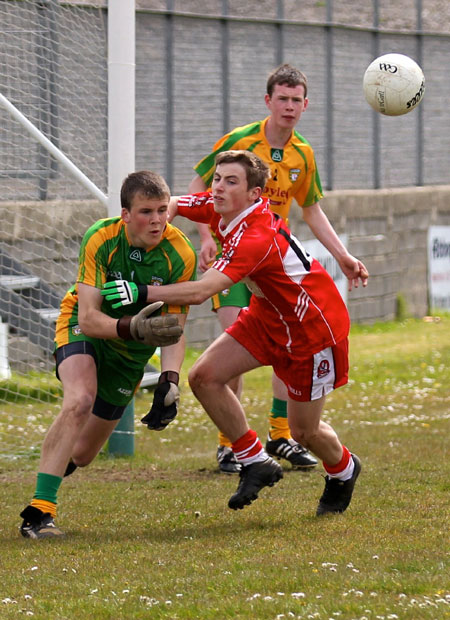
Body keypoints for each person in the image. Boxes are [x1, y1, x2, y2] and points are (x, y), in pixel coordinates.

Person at [104, 150, 369, 515]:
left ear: (253, 195)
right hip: (267, 317)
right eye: (217, 178)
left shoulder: (254, 236)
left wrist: (141, 290)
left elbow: (200, 291)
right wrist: (137, 227)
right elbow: (175, 205)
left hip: (312, 331)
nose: (219, 187)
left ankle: (343, 470)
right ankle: (254, 460)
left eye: (231, 181)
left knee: (303, 431)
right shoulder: (223, 207)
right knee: (205, 376)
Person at [189, 64, 367, 475]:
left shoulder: (302, 153)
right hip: (234, 258)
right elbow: (202, 188)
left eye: (296, 100)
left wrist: (342, 255)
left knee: (289, 348)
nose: (289, 106)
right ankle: (230, 446)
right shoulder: (239, 142)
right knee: (231, 341)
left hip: (275, 266)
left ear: (306, 105)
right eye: (281, 98)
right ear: (267, 101)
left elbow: (312, 209)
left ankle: (281, 435)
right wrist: (205, 237)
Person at [19, 170, 197, 539]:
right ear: (126, 214)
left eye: (163, 210)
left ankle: (54, 460)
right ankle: (40, 512)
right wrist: (132, 326)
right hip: (87, 329)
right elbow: (89, 316)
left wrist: (170, 380)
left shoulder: (180, 253)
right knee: (79, 400)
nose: (157, 220)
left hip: (131, 353)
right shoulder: (101, 237)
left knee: (83, 454)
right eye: (146, 211)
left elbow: (173, 328)